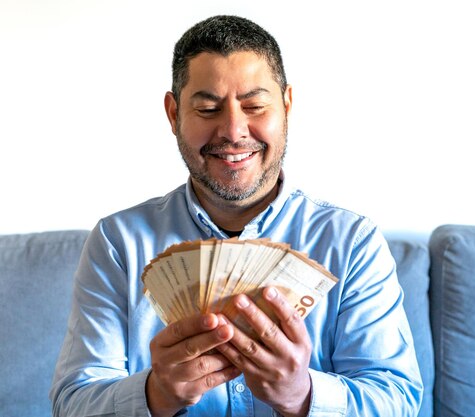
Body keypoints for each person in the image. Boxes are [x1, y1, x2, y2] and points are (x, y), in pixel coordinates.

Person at [50, 15, 423, 417]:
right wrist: (155, 394)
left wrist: (302, 394)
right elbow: (73, 403)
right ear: (173, 114)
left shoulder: (353, 242)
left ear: (287, 105)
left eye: (255, 105)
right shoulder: (117, 242)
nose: (233, 130)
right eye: (208, 108)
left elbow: (397, 401)